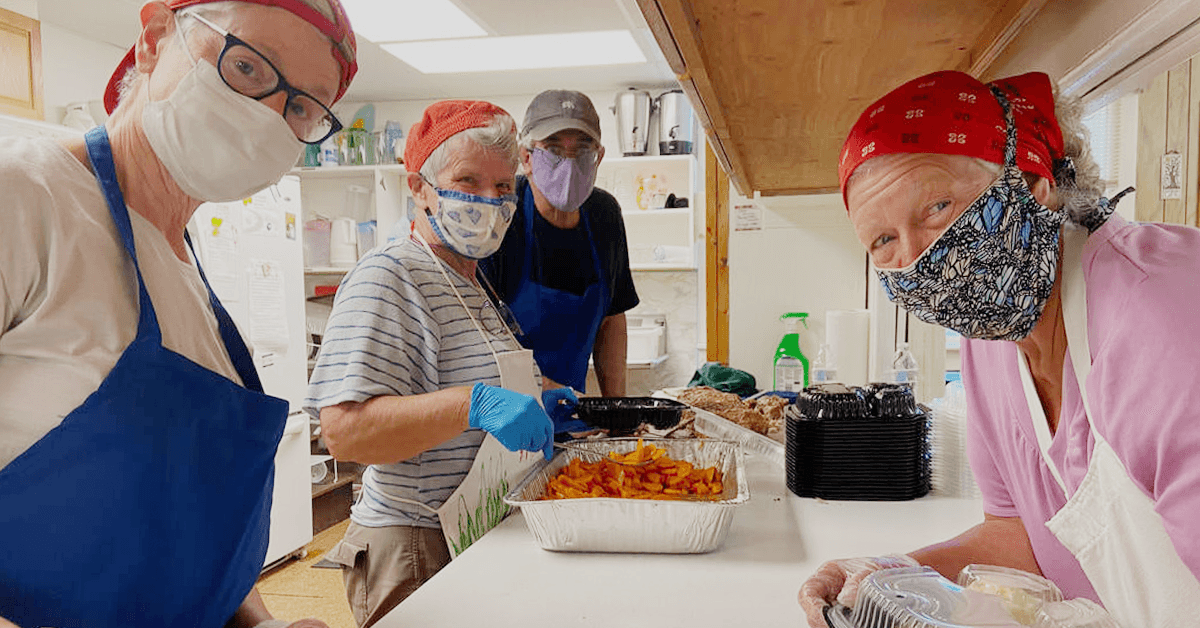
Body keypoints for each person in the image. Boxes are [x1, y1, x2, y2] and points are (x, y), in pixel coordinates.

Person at [798, 70, 1200, 627]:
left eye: (936, 208)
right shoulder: (992, 344)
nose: (917, 258)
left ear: (1033, 182)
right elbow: (1020, 538)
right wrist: (886, 574)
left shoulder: (1167, 319)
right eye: (884, 241)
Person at [0, 0, 357, 626]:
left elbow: (189, 531)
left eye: (301, 106)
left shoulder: (188, 267)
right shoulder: (26, 196)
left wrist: (259, 623)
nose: (265, 116)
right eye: (246, 66)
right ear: (154, 38)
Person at [305, 100, 559, 628]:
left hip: (471, 532)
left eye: (502, 187)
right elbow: (347, 434)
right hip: (416, 546)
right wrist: (475, 405)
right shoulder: (390, 275)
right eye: (467, 180)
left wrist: (538, 398)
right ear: (419, 187)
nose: (488, 201)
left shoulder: (471, 279)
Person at [479, 89, 639, 414]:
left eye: (582, 150)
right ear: (525, 158)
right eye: (553, 149)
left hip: (572, 413)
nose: (569, 163)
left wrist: (614, 409)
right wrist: (545, 391)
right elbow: (479, 339)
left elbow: (611, 319)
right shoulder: (502, 216)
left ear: (599, 156)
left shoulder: (604, 214)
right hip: (506, 415)